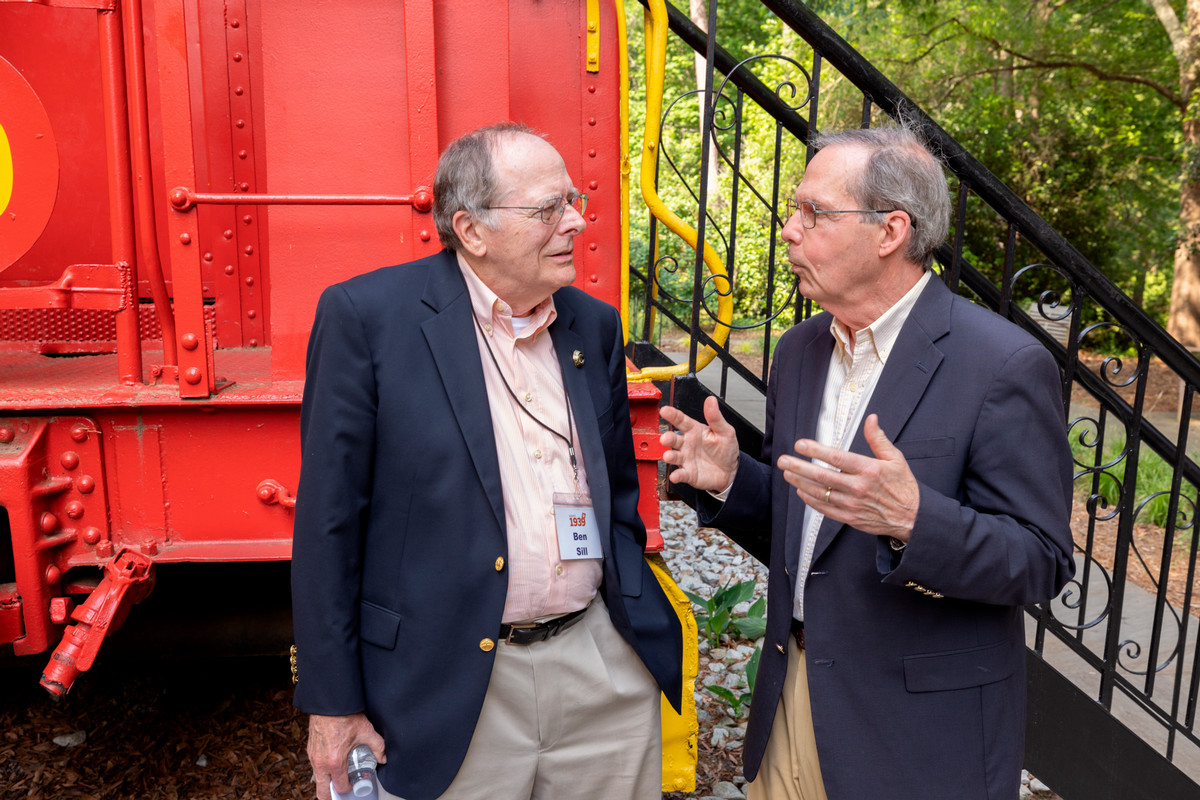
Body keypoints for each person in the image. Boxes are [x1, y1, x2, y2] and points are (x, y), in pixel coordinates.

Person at [660, 125, 1075, 800]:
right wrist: (736, 481)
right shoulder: (798, 352)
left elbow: (1040, 561)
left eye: (814, 213)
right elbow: (816, 533)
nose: (789, 230)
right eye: (793, 211)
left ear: (890, 232)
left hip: (911, 737)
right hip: (793, 699)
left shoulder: (1001, 365)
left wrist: (917, 521)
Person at [291, 122, 682, 800]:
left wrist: (631, 641)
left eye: (574, 200)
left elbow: (616, 497)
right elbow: (328, 527)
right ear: (471, 229)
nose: (576, 223)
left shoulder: (594, 325)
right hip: (449, 684)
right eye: (549, 209)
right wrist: (332, 704)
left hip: (599, 672)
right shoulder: (367, 318)